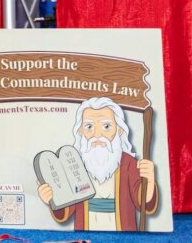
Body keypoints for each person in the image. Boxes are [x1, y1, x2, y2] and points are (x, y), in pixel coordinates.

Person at [38, 97, 157, 231]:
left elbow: (142, 202)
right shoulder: (75, 165)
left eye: (106, 126)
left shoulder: (128, 163)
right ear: (81, 131)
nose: (97, 135)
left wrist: (149, 181)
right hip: (86, 234)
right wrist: (51, 198)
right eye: (89, 127)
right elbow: (66, 209)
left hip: (122, 234)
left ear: (119, 130)